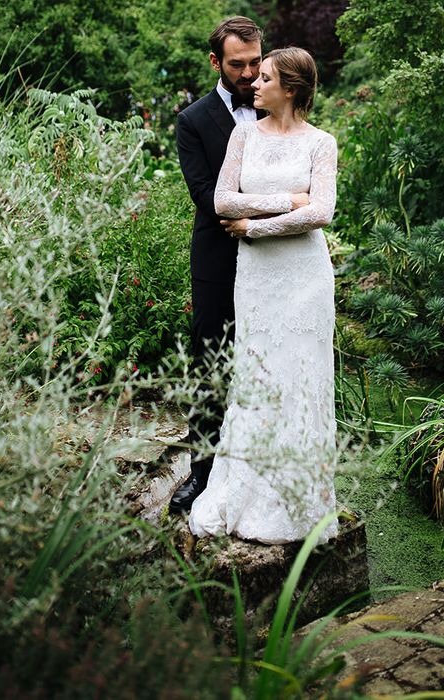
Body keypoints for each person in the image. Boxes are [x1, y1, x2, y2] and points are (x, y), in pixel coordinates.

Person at [188, 47, 339, 544]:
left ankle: (298, 502)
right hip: (255, 280)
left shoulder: (322, 144)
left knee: (299, 378)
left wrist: (253, 226)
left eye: (266, 77)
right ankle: (246, 490)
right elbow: (220, 200)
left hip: (303, 277)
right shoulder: (242, 134)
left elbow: (321, 213)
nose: (254, 82)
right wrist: (284, 201)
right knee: (257, 373)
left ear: (290, 89)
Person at [169, 17, 264, 514]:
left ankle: (264, 469)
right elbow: (204, 194)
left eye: (255, 62)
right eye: (237, 65)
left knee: (269, 358)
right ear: (216, 63)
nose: (249, 74)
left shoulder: (279, 105)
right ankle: (202, 472)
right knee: (211, 362)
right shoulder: (192, 121)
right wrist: (262, 212)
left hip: (274, 259)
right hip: (217, 259)